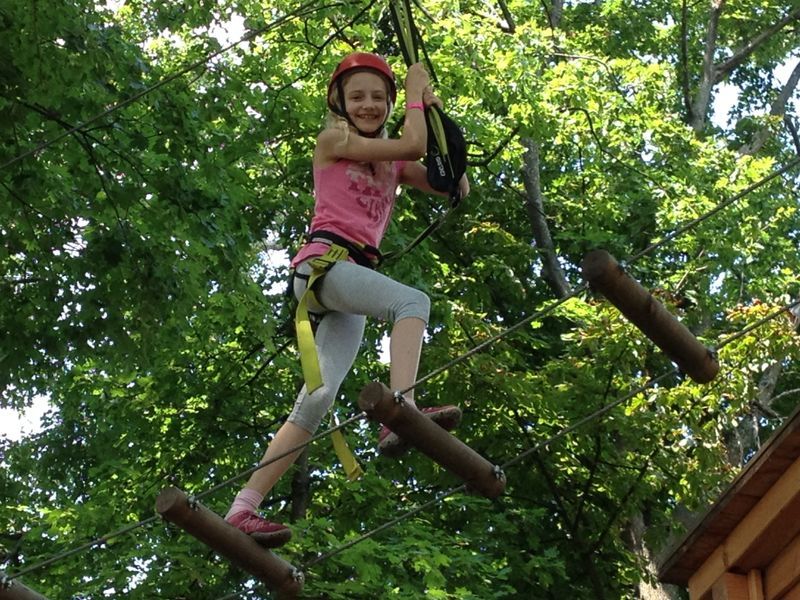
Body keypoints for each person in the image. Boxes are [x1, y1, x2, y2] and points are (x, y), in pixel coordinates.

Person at [225, 52, 470, 546]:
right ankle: (402, 408)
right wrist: (414, 89)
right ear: (339, 101)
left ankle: (242, 509)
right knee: (411, 303)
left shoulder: (396, 160)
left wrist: (436, 113)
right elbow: (414, 141)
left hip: (349, 280)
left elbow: (454, 183)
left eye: (379, 97)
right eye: (357, 96)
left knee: (317, 400)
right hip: (324, 266)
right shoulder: (334, 140)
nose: (368, 105)